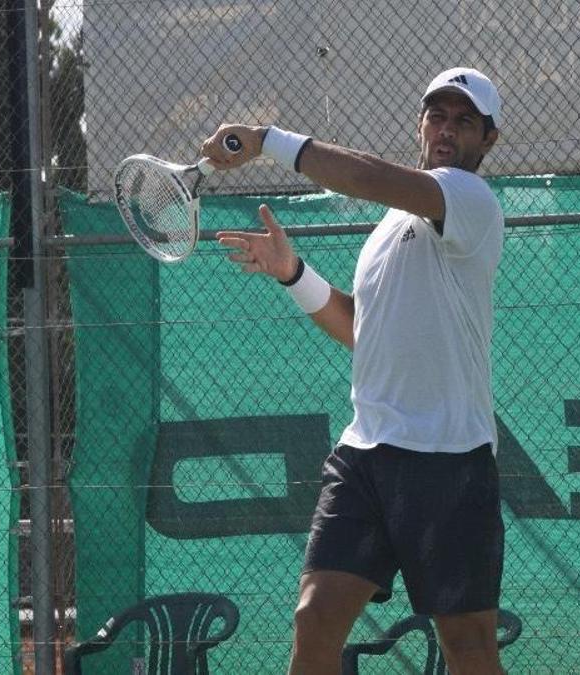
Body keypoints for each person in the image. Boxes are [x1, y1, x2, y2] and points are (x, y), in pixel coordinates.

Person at [200, 67, 506, 675]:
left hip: (449, 459)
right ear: (421, 123)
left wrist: (268, 139)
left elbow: (368, 177)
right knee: (314, 620)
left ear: (486, 141)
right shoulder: (391, 228)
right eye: (437, 116)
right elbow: (361, 330)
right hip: (367, 453)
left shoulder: (470, 200)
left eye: (464, 121)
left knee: (468, 647)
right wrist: (293, 273)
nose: (446, 130)